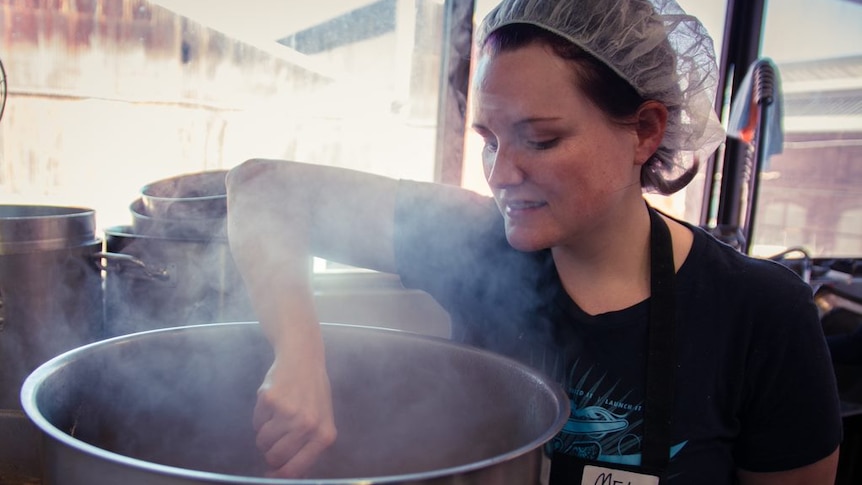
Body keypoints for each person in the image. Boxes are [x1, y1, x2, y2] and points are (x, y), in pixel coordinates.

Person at [225, 0, 843, 483]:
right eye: (490, 138)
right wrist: (298, 353)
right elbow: (261, 190)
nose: (500, 173)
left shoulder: (762, 315)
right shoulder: (474, 243)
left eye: (540, 140)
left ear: (645, 131)